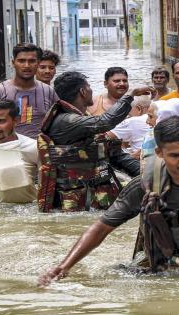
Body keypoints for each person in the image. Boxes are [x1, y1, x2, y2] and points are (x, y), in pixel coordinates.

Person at [38, 116, 179, 285]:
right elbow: (101, 228)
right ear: (160, 153)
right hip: (170, 270)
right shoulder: (146, 185)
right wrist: (63, 267)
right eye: (175, 155)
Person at [37, 71, 155, 212]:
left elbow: (113, 154)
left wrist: (149, 176)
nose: (91, 91)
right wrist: (130, 94)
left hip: (93, 198)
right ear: (82, 91)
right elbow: (105, 121)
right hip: (73, 203)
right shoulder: (66, 121)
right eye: (89, 87)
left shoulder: (82, 118)